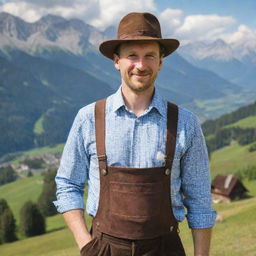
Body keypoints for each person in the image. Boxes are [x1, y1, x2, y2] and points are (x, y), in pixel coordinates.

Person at [54, 12, 216, 256]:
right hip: (103, 248)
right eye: (132, 56)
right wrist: (86, 246)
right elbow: (67, 184)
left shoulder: (186, 123)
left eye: (150, 56)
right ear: (117, 61)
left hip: (166, 249)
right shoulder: (89, 118)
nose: (141, 65)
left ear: (160, 62)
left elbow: (200, 199)